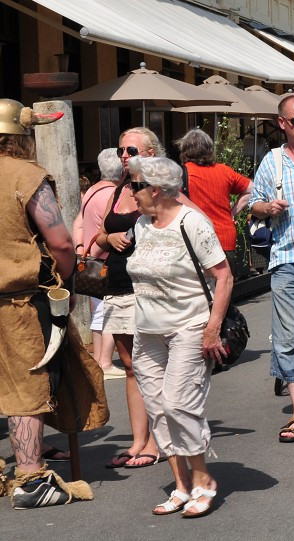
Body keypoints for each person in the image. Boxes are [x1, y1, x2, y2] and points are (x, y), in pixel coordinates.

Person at [0, 99, 104, 509]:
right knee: (29, 383)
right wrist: (64, 280)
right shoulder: (26, 175)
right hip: (19, 301)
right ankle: (30, 479)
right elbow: (61, 242)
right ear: (20, 137)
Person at [125, 156, 232, 517]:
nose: (131, 191)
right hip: (147, 330)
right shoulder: (141, 225)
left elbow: (224, 276)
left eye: (135, 185)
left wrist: (213, 327)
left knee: (178, 404)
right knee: (157, 407)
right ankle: (181, 484)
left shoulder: (192, 222)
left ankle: (204, 480)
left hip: (189, 327)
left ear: (155, 189)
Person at [249, 94, 294, 443]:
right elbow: (253, 204)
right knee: (290, 338)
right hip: (286, 261)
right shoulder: (271, 162)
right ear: (282, 124)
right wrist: (268, 207)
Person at [95, 127, 164, 468]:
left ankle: (156, 440)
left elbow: (181, 221)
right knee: (131, 368)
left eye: (131, 150)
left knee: (151, 366)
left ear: (151, 153)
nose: (124, 155)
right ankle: (138, 441)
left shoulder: (161, 186)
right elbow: (99, 234)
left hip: (147, 287)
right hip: (118, 287)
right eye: (121, 149)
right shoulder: (120, 187)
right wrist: (111, 238)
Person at [72, 147, 125, 378]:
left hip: (91, 261)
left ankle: (98, 360)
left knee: (98, 313)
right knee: (111, 313)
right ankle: (105, 362)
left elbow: (78, 224)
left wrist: (81, 250)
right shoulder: (114, 195)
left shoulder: (92, 190)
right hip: (106, 260)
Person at [176, 129, 252, 277]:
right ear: (210, 149)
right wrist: (232, 212)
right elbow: (251, 189)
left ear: (184, 150)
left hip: (195, 239)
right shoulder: (224, 171)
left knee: (201, 292)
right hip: (225, 238)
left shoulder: (181, 173)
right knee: (225, 286)